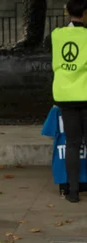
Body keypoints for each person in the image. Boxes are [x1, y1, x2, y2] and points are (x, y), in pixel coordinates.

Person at [51, 0, 87, 203]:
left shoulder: (57, 35)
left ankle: (72, 192)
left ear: (67, 11)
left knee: (72, 144)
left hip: (65, 96)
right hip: (86, 94)